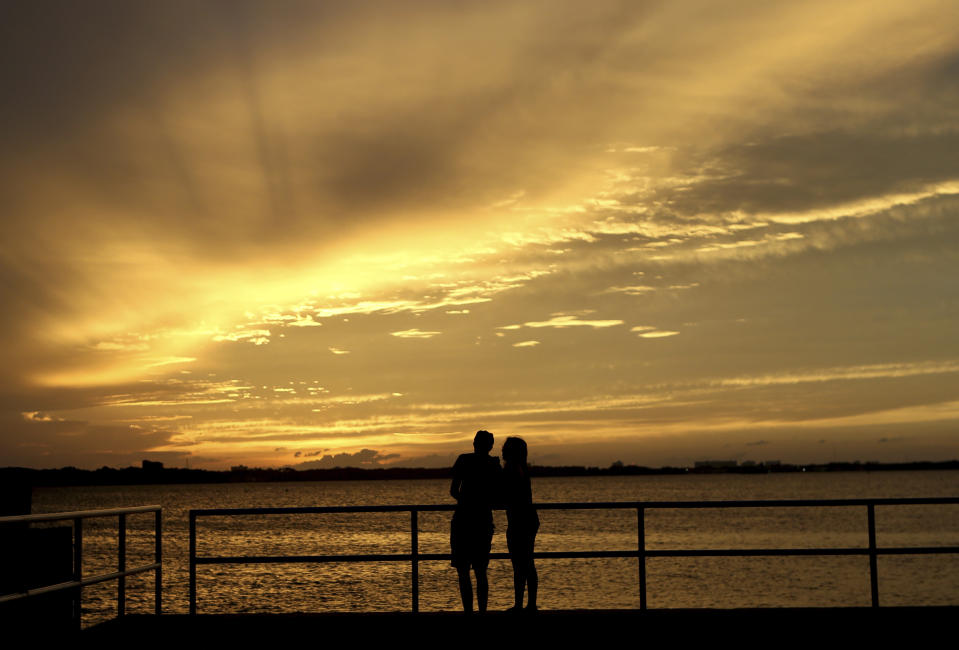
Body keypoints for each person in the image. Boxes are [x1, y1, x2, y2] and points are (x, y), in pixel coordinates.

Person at [449, 430, 501, 613]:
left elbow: (454, 490)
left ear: (474, 443)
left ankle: (468, 612)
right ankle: (482, 612)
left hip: (462, 520)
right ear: (491, 446)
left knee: (463, 572)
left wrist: (466, 501)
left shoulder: (463, 460)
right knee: (480, 571)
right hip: (483, 521)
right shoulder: (494, 464)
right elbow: (498, 494)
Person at [502, 436, 539, 612]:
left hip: (520, 520)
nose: (501, 450)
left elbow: (506, 494)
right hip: (527, 518)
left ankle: (522, 605)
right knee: (526, 563)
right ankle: (528, 604)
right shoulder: (521, 468)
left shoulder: (512, 469)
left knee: (520, 564)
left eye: (505, 447)